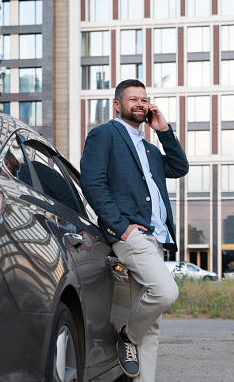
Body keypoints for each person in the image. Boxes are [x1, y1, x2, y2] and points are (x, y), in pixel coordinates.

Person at [80, 79, 189, 381]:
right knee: (165, 292)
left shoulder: (150, 148)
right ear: (118, 104)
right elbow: (92, 183)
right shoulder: (105, 135)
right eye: (133, 99)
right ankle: (128, 334)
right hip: (130, 235)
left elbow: (180, 167)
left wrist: (163, 130)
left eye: (144, 99)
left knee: (152, 322)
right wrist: (121, 227)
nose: (140, 104)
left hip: (154, 236)